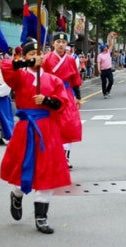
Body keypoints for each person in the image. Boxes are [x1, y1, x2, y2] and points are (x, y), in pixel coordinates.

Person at [0, 38, 73, 234]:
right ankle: (17, 193)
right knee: (23, 168)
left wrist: (47, 100)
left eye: (38, 54)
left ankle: (41, 217)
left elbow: (62, 103)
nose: (36, 57)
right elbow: (6, 66)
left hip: (47, 129)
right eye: (31, 55)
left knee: (47, 170)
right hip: (26, 129)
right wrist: (27, 63)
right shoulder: (19, 77)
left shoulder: (53, 80)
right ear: (24, 57)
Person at [43, 32, 83, 167]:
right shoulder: (46, 58)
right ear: (53, 43)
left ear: (67, 45)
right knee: (52, 125)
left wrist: (78, 97)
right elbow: (41, 79)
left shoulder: (71, 60)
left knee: (68, 125)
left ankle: (65, 157)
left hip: (67, 94)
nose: (61, 44)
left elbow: (75, 79)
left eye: (63, 42)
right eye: (58, 42)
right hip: (51, 93)